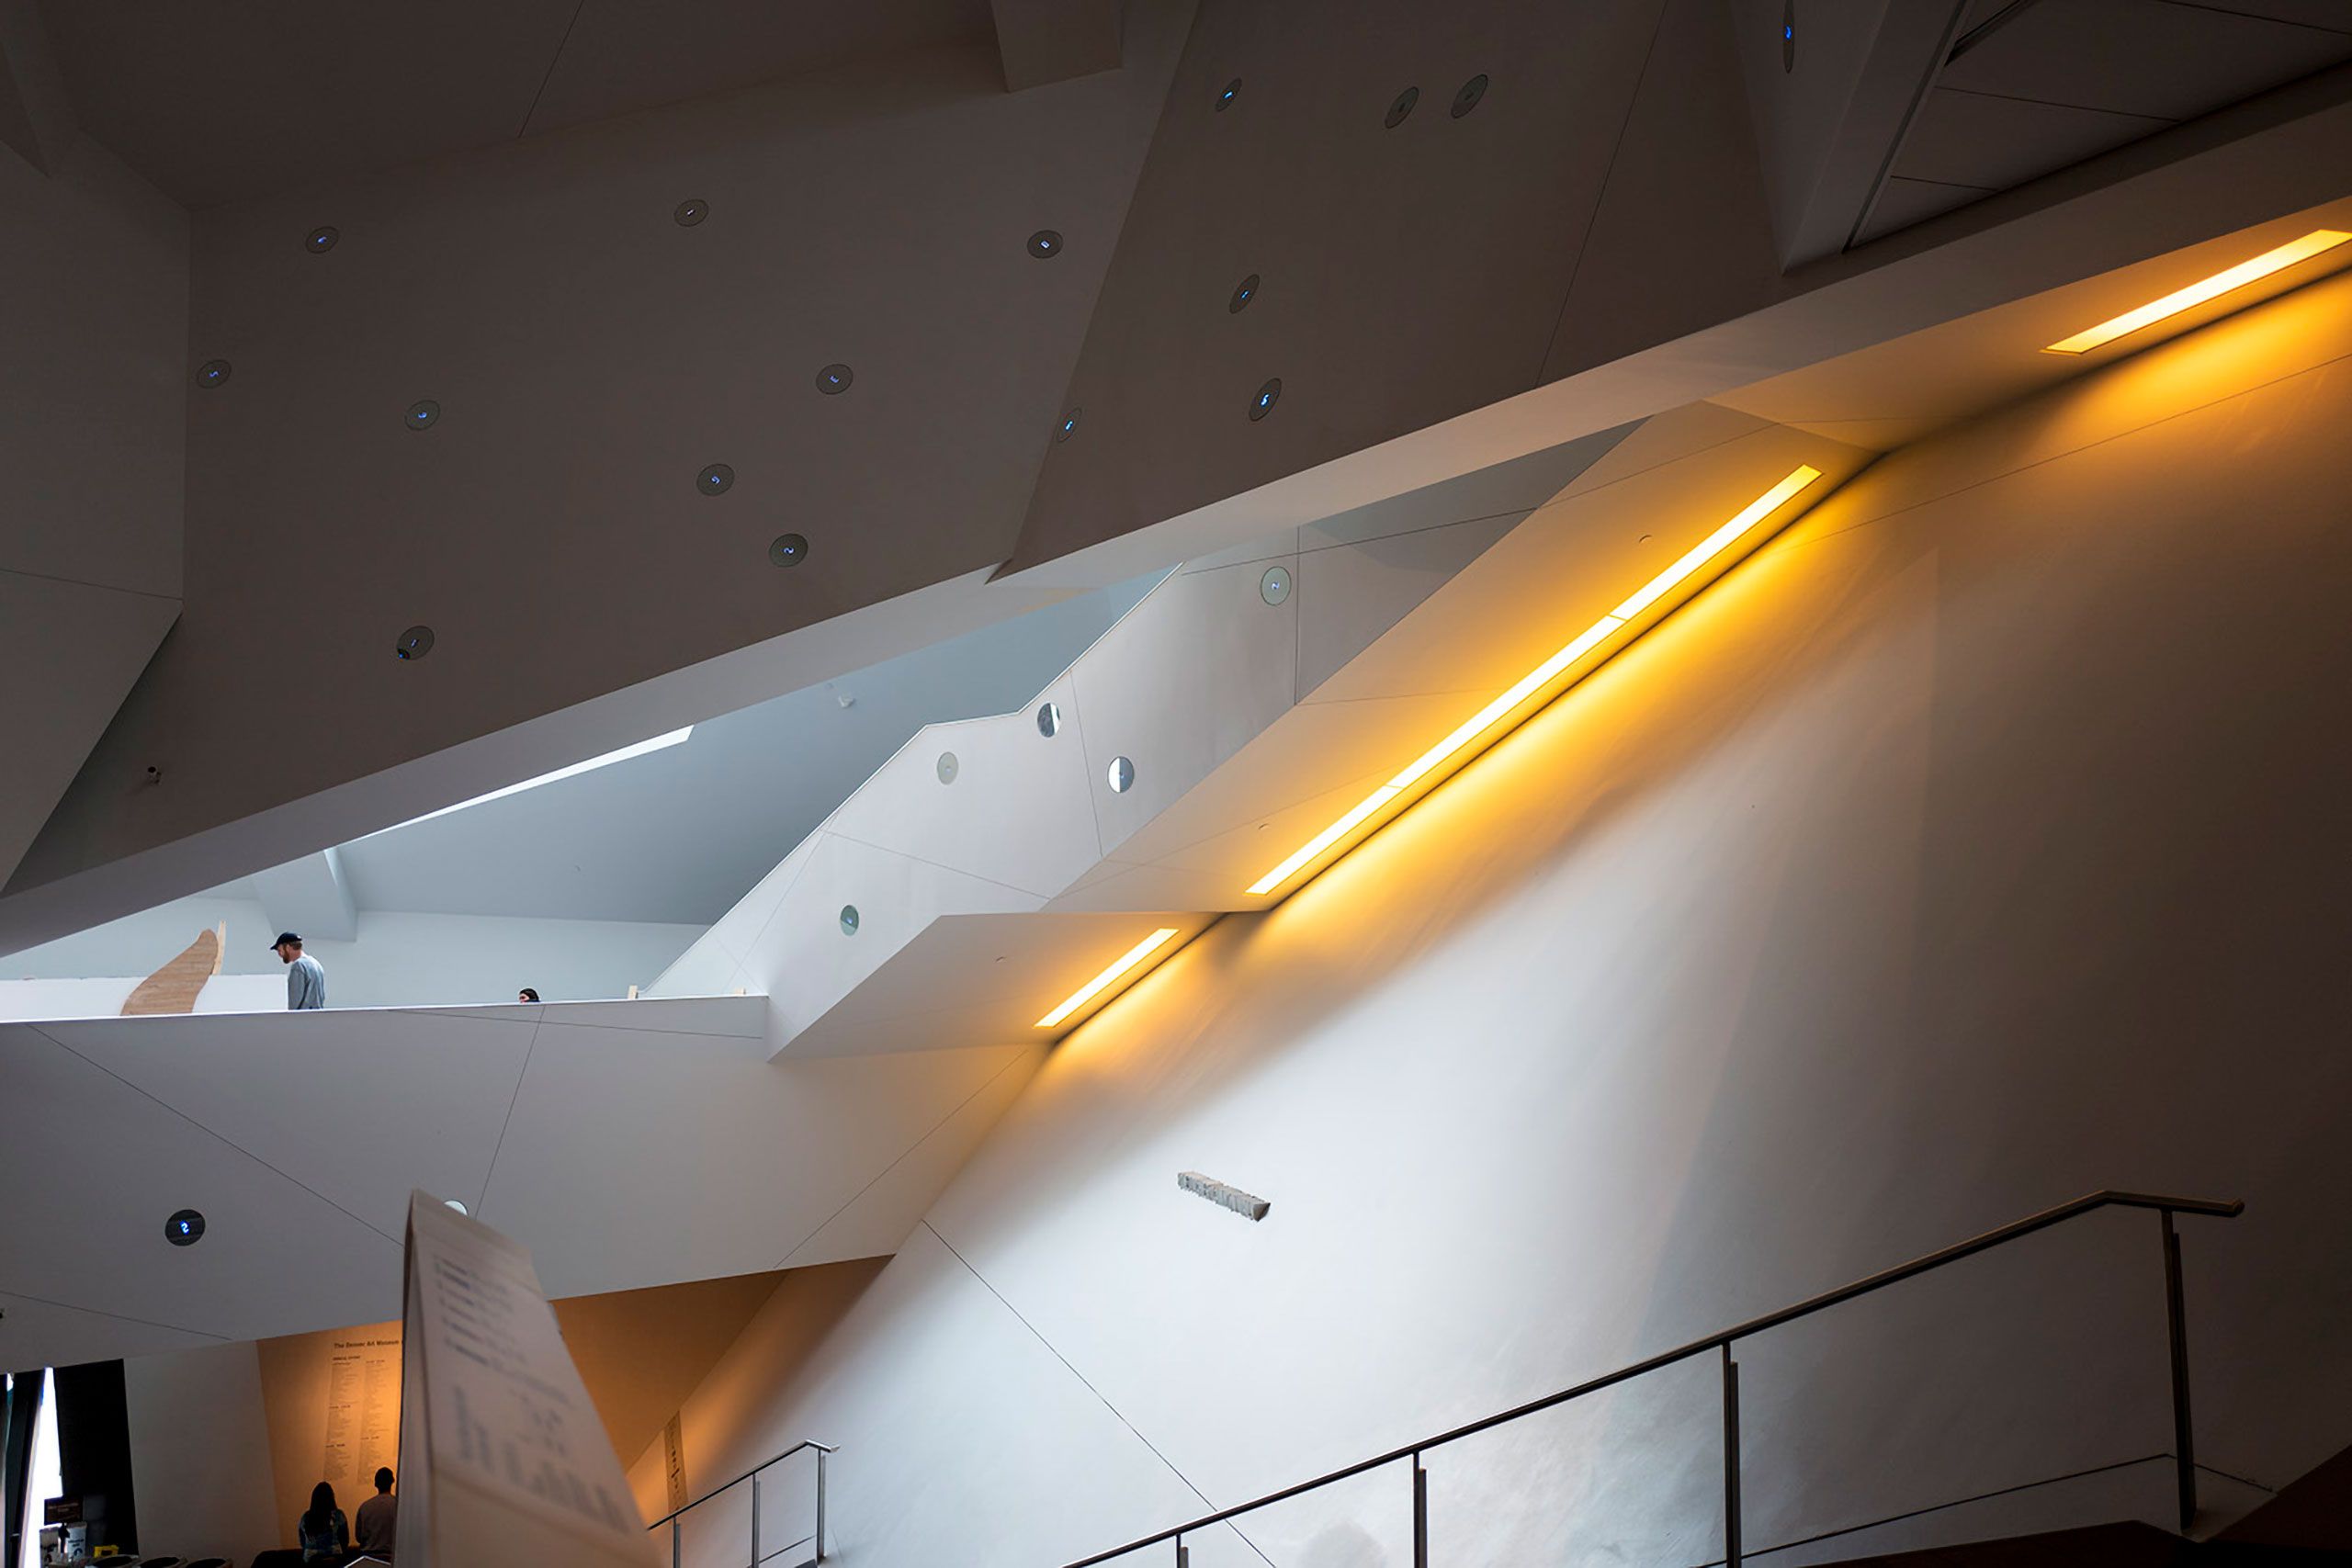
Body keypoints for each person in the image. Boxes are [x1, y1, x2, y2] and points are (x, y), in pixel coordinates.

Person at [298, 1480, 349, 1562]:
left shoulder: (306, 1517)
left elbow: (302, 1541)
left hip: (311, 1559)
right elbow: (344, 1540)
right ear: (331, 1497)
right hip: (334, 1558)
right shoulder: (338, 1515)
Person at [273, 932, 327, 1010]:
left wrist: (290, 1016)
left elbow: (295, 999)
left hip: (303, 1017)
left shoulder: (298, 966)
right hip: (318, 1015)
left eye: (279, 950)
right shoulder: (316, 963)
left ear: (288, 947)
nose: (280, 954)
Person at [354, 1466, 396, 1557]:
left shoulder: (365, 1507)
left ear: (376, 1484)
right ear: (392, 1481)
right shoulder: (398, 1506)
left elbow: (359, 1537)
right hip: (391, 1558)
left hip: (368, 1557)